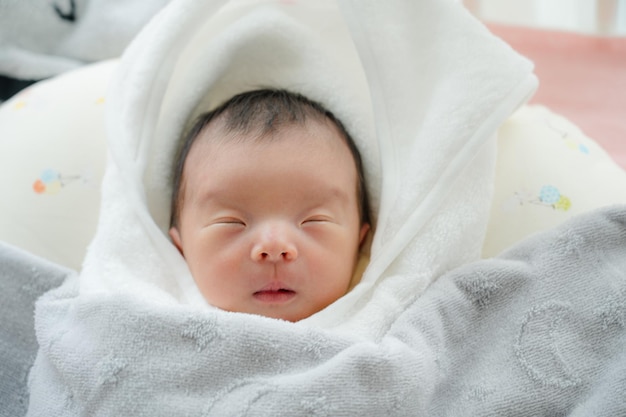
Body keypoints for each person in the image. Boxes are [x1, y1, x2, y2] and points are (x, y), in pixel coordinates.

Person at [168, 89, 371, 322]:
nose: (274, 246)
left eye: (315, 220)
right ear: (181, 250)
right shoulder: (160, 325)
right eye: (231, 222)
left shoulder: (385, 334)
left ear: (360, 242)